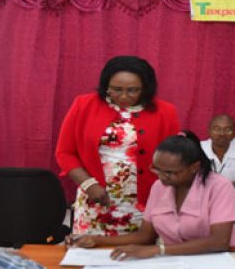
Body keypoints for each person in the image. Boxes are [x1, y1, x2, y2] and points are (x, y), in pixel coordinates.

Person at [67, 131, 235, 259]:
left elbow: (219, 242)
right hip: (173, 261)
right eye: (158, 170)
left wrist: (159, 250)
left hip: (218, 261)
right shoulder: (159, 187)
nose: (162, 177)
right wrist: (96, 239)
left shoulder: (219, 186)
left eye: (170, 172)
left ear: (194, 167)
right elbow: (145, 235)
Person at [56, 55, 180, 236]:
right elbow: (65, 153)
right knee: (92, 256)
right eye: (116, 89)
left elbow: (174, 158)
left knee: (139, 256)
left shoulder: (166, 112)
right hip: (95, 198)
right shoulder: (84, 105)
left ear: (145, 88)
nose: (123, 96)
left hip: (145, 201)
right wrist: (89, 185)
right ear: (106, 85)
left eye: (132, 90)